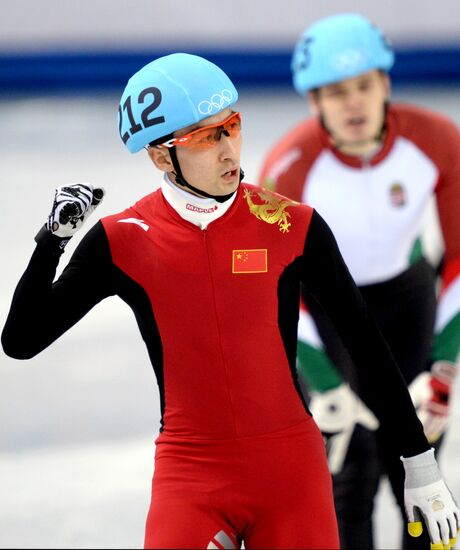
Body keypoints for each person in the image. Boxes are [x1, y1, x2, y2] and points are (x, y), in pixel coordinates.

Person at [2, 53, 459, 550]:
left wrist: (419, 463)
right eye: (204, 137)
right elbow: (22, 341)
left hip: (291, 474)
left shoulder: (293, 225)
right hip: (190, 475)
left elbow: (366, 346)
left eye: (232, 127)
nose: (229, 151)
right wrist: (51, 242)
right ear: (160, 156)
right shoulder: (123, 240)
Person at [258, 12, 460, 550]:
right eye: (335, 91)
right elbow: (273, 289)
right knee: (348, 477)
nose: (352, 104)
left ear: (386, 85)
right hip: (327, 313)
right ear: (313, 101)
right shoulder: (289, 167)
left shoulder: (437, 141)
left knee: (419, 469)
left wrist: (443, 368)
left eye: (364, 86)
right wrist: (321, 379)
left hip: (407, 301)